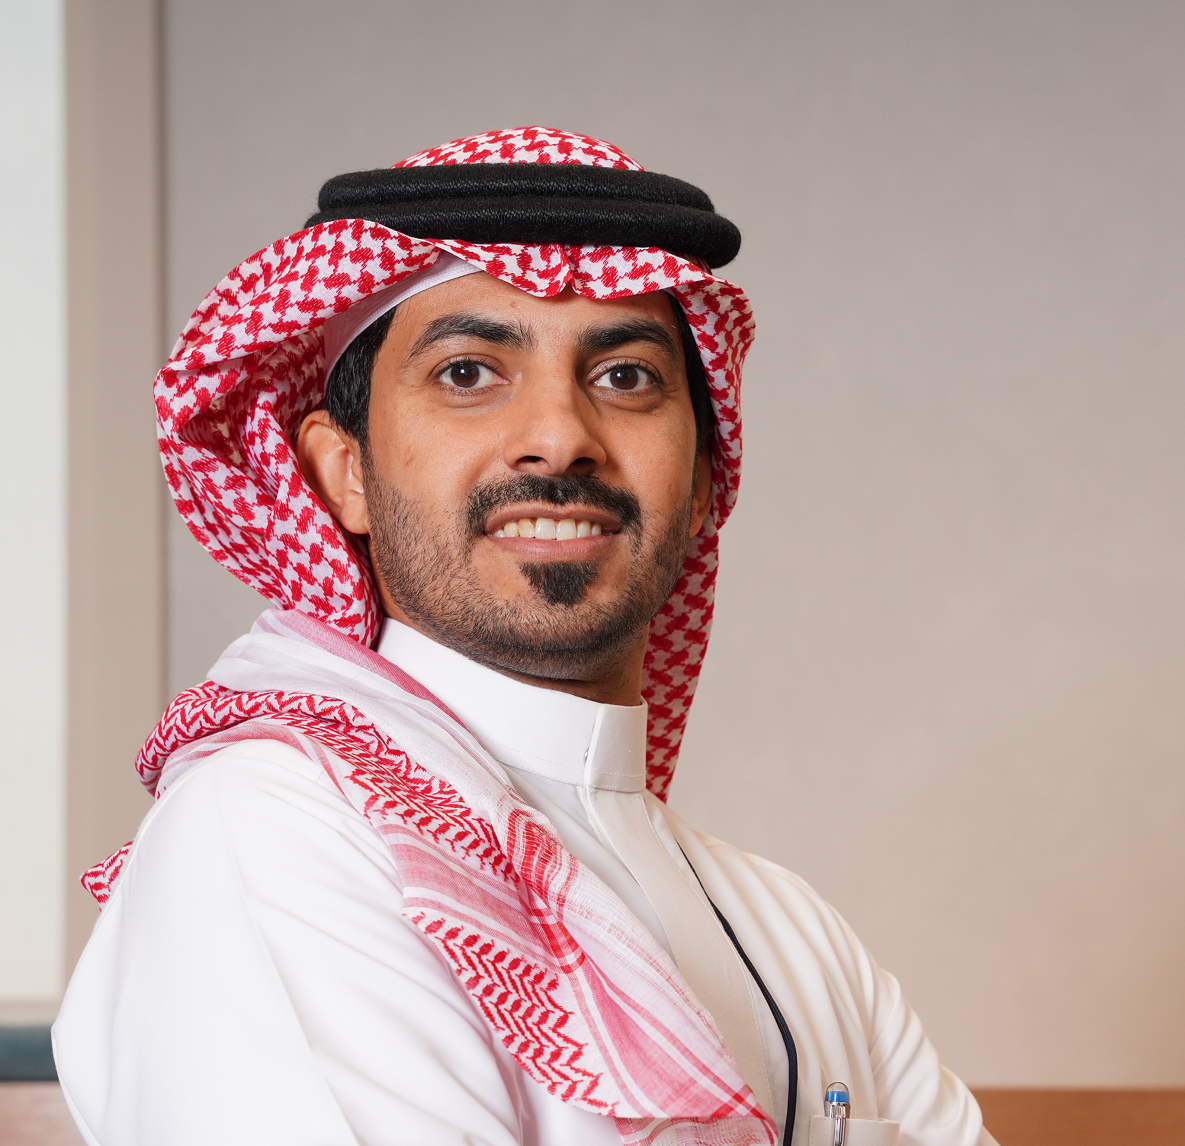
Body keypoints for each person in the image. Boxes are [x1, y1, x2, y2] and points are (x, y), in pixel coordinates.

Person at [54, 127, 997, 1146]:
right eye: (468, 373)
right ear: (343, 474)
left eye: (626, 377)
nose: (559, 437)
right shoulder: (275, 833)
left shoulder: (795, 937)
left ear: (703, 484)